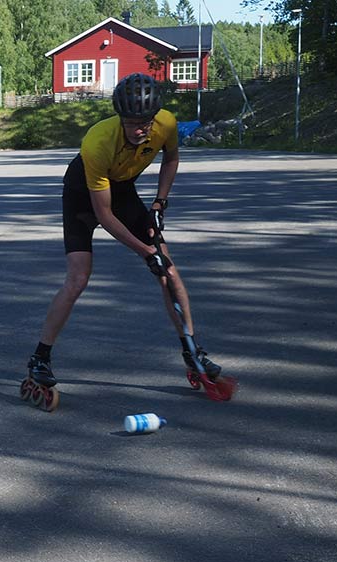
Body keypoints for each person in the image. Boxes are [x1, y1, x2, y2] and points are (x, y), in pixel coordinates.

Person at [25, 73, 224, 399]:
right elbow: (104, 216)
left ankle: (192, 350)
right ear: (120, 117)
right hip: (81, 196)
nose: (141, 129)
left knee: (168, 270)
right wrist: (146, 252)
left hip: (122, 191)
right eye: (132, 123)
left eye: (145, 121)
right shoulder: (98, 142)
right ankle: (40, 358)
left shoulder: (166, 123)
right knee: (78, 278)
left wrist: (160, 201)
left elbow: (171, 158)